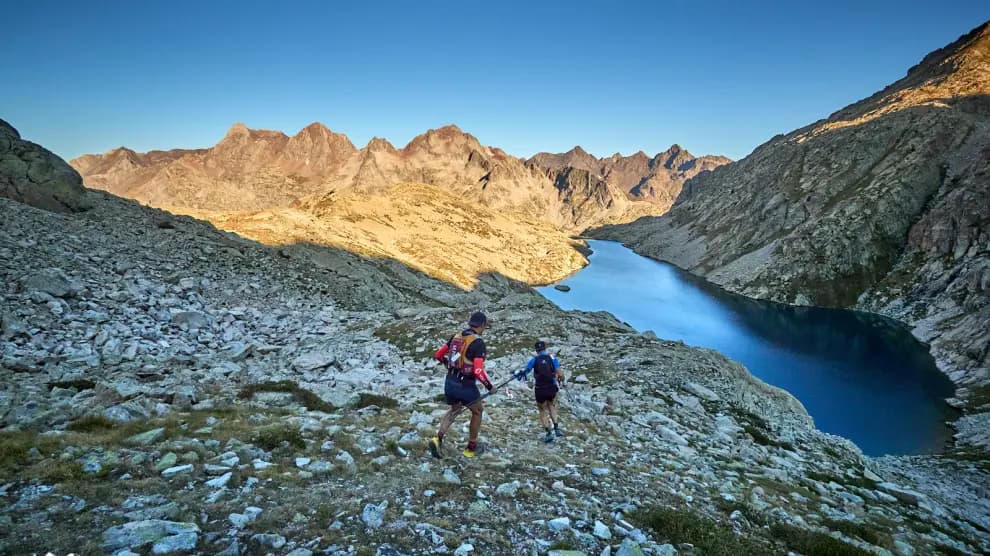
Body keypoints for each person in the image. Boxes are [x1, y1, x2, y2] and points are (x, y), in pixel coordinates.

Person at [429, 311, 495, 458]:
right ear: (483, 325)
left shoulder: (456, 337)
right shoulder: (478, 342)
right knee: (477, 411)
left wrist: (446, 363)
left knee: (454, 409)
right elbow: (478, 370)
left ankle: (437, 438)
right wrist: (490, 387)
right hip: (466, 385)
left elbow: (438, 355)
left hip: (450, 381)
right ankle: (471, 447)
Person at [519, 340, 564, 443]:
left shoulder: (534, 360)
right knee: (552, 406)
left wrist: (520, 373)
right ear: (545, 348)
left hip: (540, 388)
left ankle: (548, 433)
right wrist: (562, 379)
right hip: (551, 386)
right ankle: (556, 428)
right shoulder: (552, 358)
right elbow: (559, 372)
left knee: (542, 410)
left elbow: (526, 371)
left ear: (536, 350)